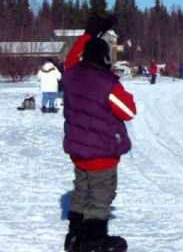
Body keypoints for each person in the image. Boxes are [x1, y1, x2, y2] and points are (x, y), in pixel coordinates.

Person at [62, 15, 137, 252]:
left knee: (81, 192)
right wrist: (119, 87)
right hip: (102, 154)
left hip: (78, 152)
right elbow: (128, 111)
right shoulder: (107, 84)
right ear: (105, 58)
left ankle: (75, 236)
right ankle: (93, 242)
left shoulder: (71, 74)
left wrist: (88, 33)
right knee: (100, 198)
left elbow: (70, 58)